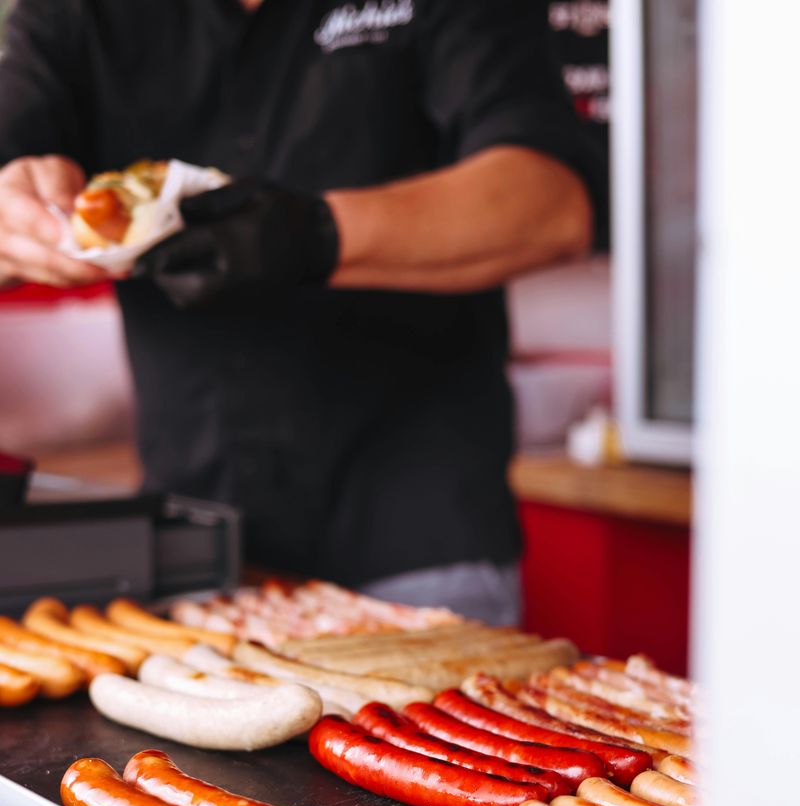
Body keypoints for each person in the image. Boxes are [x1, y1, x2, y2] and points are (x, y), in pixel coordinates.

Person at [0, 0, 603, 623]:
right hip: (192, 549)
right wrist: (17, 218)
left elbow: (552, 208)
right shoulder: (74, 13)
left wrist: (312, 235)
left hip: (419, 538)